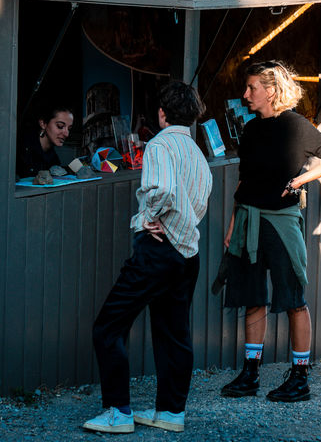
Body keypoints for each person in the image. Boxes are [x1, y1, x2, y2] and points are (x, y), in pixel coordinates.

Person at [82, 81, 212, 435]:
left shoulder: (159, 146)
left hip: (158, 250)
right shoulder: (199, 155)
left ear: (161, 114)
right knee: (174, 334)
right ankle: (171, 413)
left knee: (108, 327)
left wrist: (147, 217)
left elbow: (163, 189)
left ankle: (118, 412)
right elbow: (198, 203)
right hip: (188, 252)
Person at [219, 61, 321, 403]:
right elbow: (243, 182)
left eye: (252, 89)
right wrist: (233, 225)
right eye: (246, 89)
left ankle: (300, 378)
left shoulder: (296, 126)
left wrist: (297, 182)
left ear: (271, 91)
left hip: (281, 222)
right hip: (249, 220)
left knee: (292, 299)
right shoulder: (249, 131)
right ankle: (250, 373)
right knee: (253, 297)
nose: (246, 95)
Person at [16, 101, 73, 178]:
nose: (66, 134)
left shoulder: (53, 158)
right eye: (60, 126)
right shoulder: (20, 149)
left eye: (69, 129)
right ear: (43, 123)